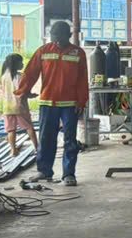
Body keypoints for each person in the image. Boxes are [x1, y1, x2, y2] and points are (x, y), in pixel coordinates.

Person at [16, 20, 89, 186]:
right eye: (55, 39)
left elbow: (82, 79)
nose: (57, 43)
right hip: (48, 103)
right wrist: (23, 91)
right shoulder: (43, 51)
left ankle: (69, 174)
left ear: (69, 36)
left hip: (70, 104)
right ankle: (44, 171)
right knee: (46, 138)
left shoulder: (78, 53)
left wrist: (81, 101)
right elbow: (30, 73)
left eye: (61, 39)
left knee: (70, 140)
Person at [0, 53, 39, 156]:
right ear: (15, 64)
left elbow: (3, 91)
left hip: (7, 107)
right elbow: (23, 92)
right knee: (29, 127)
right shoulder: (21, 77)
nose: (22, 64)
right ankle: (37, 148)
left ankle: (13, 150)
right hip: (20, 107)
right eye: (20, 62)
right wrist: (31, 95)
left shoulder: (3, 77)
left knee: (11, 130)